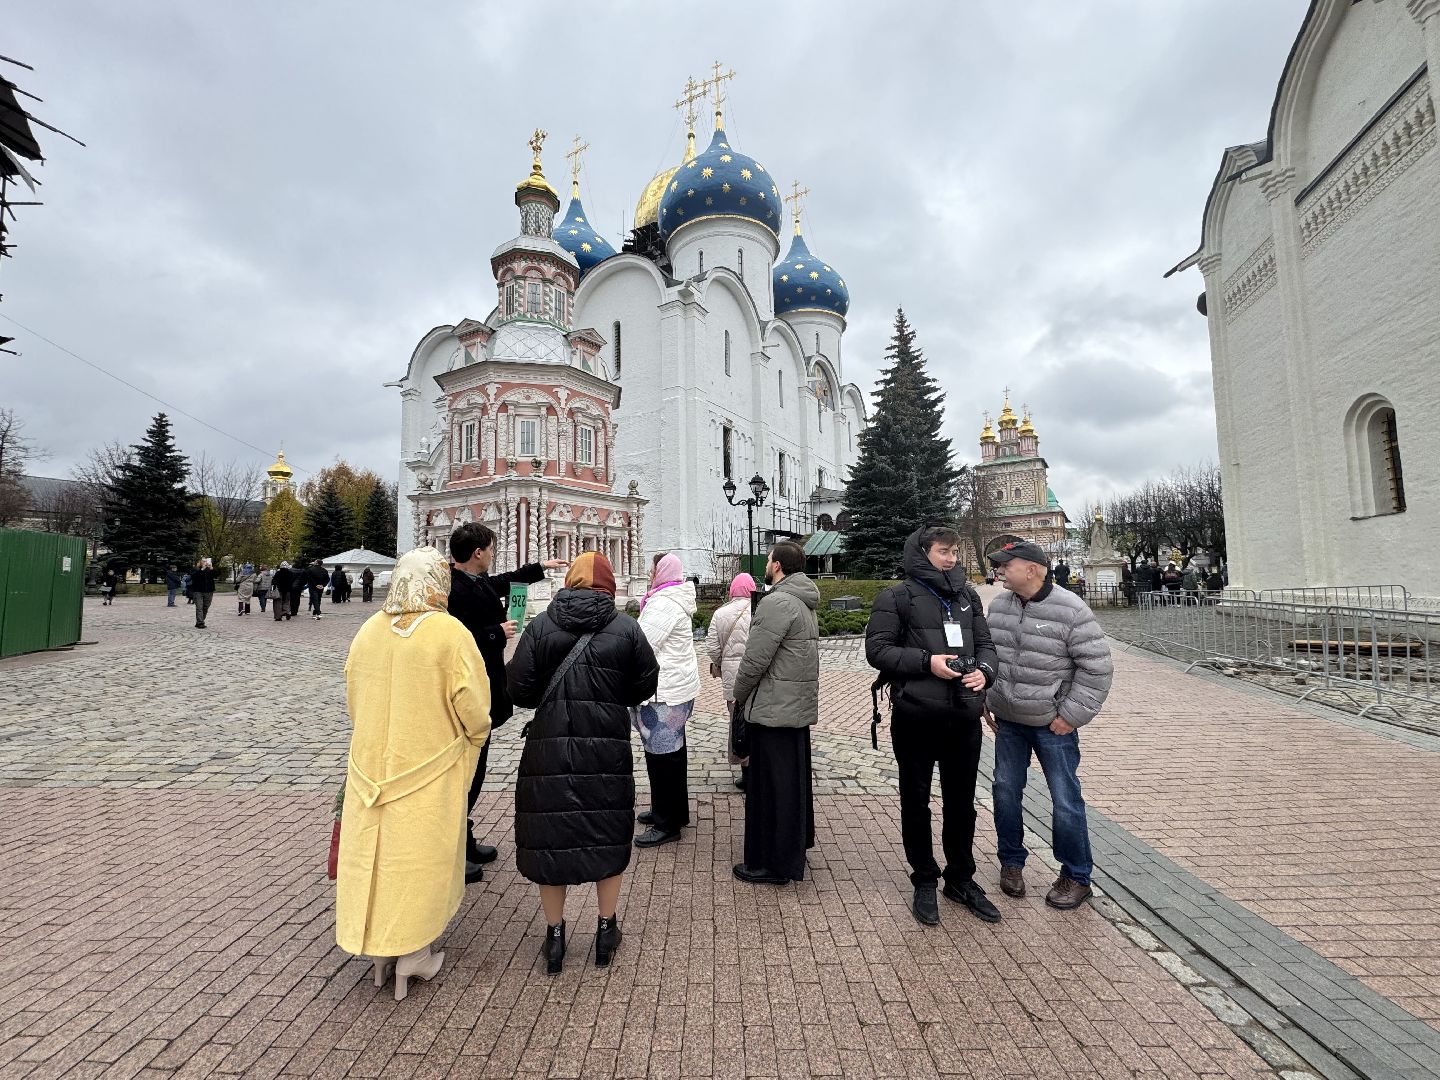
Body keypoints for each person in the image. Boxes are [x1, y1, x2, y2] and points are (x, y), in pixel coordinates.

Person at [334, 546, 492, 1001]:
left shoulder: (368, 631)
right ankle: (415, 952)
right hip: (429, 767)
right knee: (421, 856)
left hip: (370, 771)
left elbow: (353, 698)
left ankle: (381, 950)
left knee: (377, 859)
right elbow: (474, 709)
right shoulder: (448, 633)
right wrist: (471, 741)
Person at [506, 551, 659, 975]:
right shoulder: (626, 628)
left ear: (569, 582)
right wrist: (612, 696)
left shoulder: (540, 626)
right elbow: (648, 679)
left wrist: (550, 697)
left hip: (548, 747)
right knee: (605, 830)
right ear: (608, 586)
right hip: (605, 745)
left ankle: (554, 936)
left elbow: (518, 687)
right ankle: (606, 928)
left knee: (550, 834)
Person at [865, 526, 1001, 926]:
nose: (952, 558)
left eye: (955, 552)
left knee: (962, 803)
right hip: (916, 716)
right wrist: (927, 662)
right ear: (923, 554)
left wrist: (986, 674)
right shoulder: (896, 596)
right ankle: (924, 877)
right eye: (944, 551)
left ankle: (960, 878)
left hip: (963, 715)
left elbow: (986, 645)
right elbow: (878, 650)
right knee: (916, 800)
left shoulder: (967, 596)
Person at [986, 541, 1114, 910]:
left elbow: (1097, 669)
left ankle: (1076, 875)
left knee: (1065, 801)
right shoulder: (999, 606)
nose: (999, 571)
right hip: (1009, 722)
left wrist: (1071, 715)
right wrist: (986, 698)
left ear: (1032, 569)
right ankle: (1011, 863)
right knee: (1005, 792)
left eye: (1005, 565)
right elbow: (989, 655)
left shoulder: (1071, 610)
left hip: (1052, 725)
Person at [448, 521, 567, 881]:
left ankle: (463, 838)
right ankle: (451, 853)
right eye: (491, 548)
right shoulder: (453, 589)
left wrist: (541, 568)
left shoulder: (475, 581)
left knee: (477, 769)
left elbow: (503, 582)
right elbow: (455, 638)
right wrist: (493, 633)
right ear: (477, 553)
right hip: (469, 688)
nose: (494, 554)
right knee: (464, 772)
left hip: (486, 687)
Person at [732, 542, 820, 885]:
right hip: (792, 705)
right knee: (791, 784)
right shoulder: (802, 600)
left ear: (778, 566)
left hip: (773, 708)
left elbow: (755, 660)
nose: (766, 564)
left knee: (773, 788)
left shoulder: (777, 602)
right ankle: (793, 846)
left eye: (769, 559)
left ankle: (774, 862)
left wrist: (739, 696)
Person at [632, 553, 700, 847]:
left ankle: (667, 823)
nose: (649, 572)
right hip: (675, 689)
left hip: (663, 694)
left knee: (662, 757)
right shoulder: (671, 598)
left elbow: (642, 643)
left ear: (661, 571)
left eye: (653, 568)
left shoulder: (663, 602)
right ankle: (672, 811)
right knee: (672, 754)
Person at [706, 572, 757, 792]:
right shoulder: (759, 611)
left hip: (732, 678)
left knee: (738, 722)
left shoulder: (720, 614)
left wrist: (722, 662)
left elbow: (712, 647)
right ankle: (760, 771)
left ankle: (746, 775)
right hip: (756, 674)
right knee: (758, 722)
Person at [190, 558, 216, 628]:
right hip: (198, 591)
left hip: (209, 591)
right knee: (199, 607)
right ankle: (200, 622)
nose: (205, 562)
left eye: (206, 561)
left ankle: (200, 621)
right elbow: (194, 576)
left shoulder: (209, 569)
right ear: (200, 562)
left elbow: (216, 575)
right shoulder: (196, 569)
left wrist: (212, 569)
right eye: (204, 561)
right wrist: (202, 570)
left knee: (205, 607)